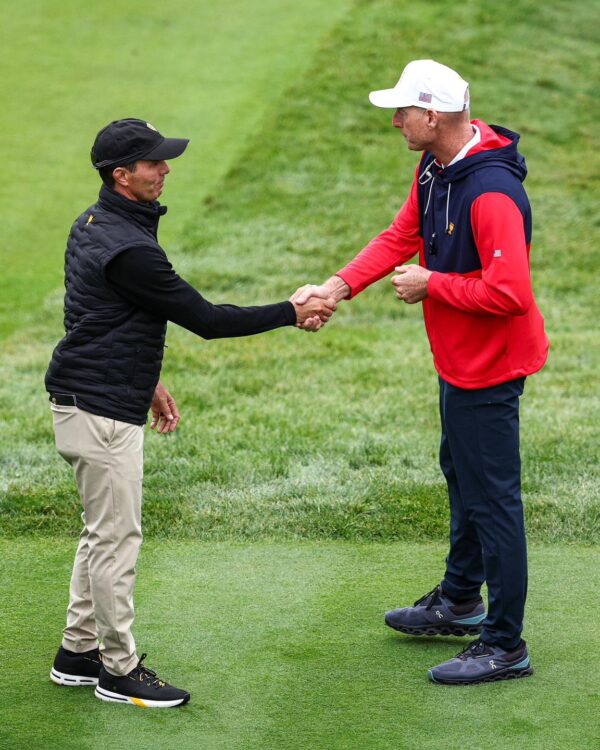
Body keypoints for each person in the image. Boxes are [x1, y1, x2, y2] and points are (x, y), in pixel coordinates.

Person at [46, 118, 335, 708]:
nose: (165, 169)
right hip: (100, 411)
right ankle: (117, 669)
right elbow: (204, 319)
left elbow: (97, 318)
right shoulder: (128, 247)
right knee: (117, 538)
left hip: (90, 397)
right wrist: (291, 309)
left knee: (100, 531)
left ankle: (77, 652)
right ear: (121, 175)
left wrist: (148, 380)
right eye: (153, 163)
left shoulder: (96, 224)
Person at [292, 60, 549, 685]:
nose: (394, 119)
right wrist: (337, 285)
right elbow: (399, 235)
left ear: (432, 115)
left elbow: (510, 292)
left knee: (493, 503)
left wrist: (433, 283)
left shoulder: (489, 192)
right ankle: (460, 600)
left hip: (489, 369)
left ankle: (505, 644)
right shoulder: (435, 169)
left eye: (402, 110)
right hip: (458, 363)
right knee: (461, 475)